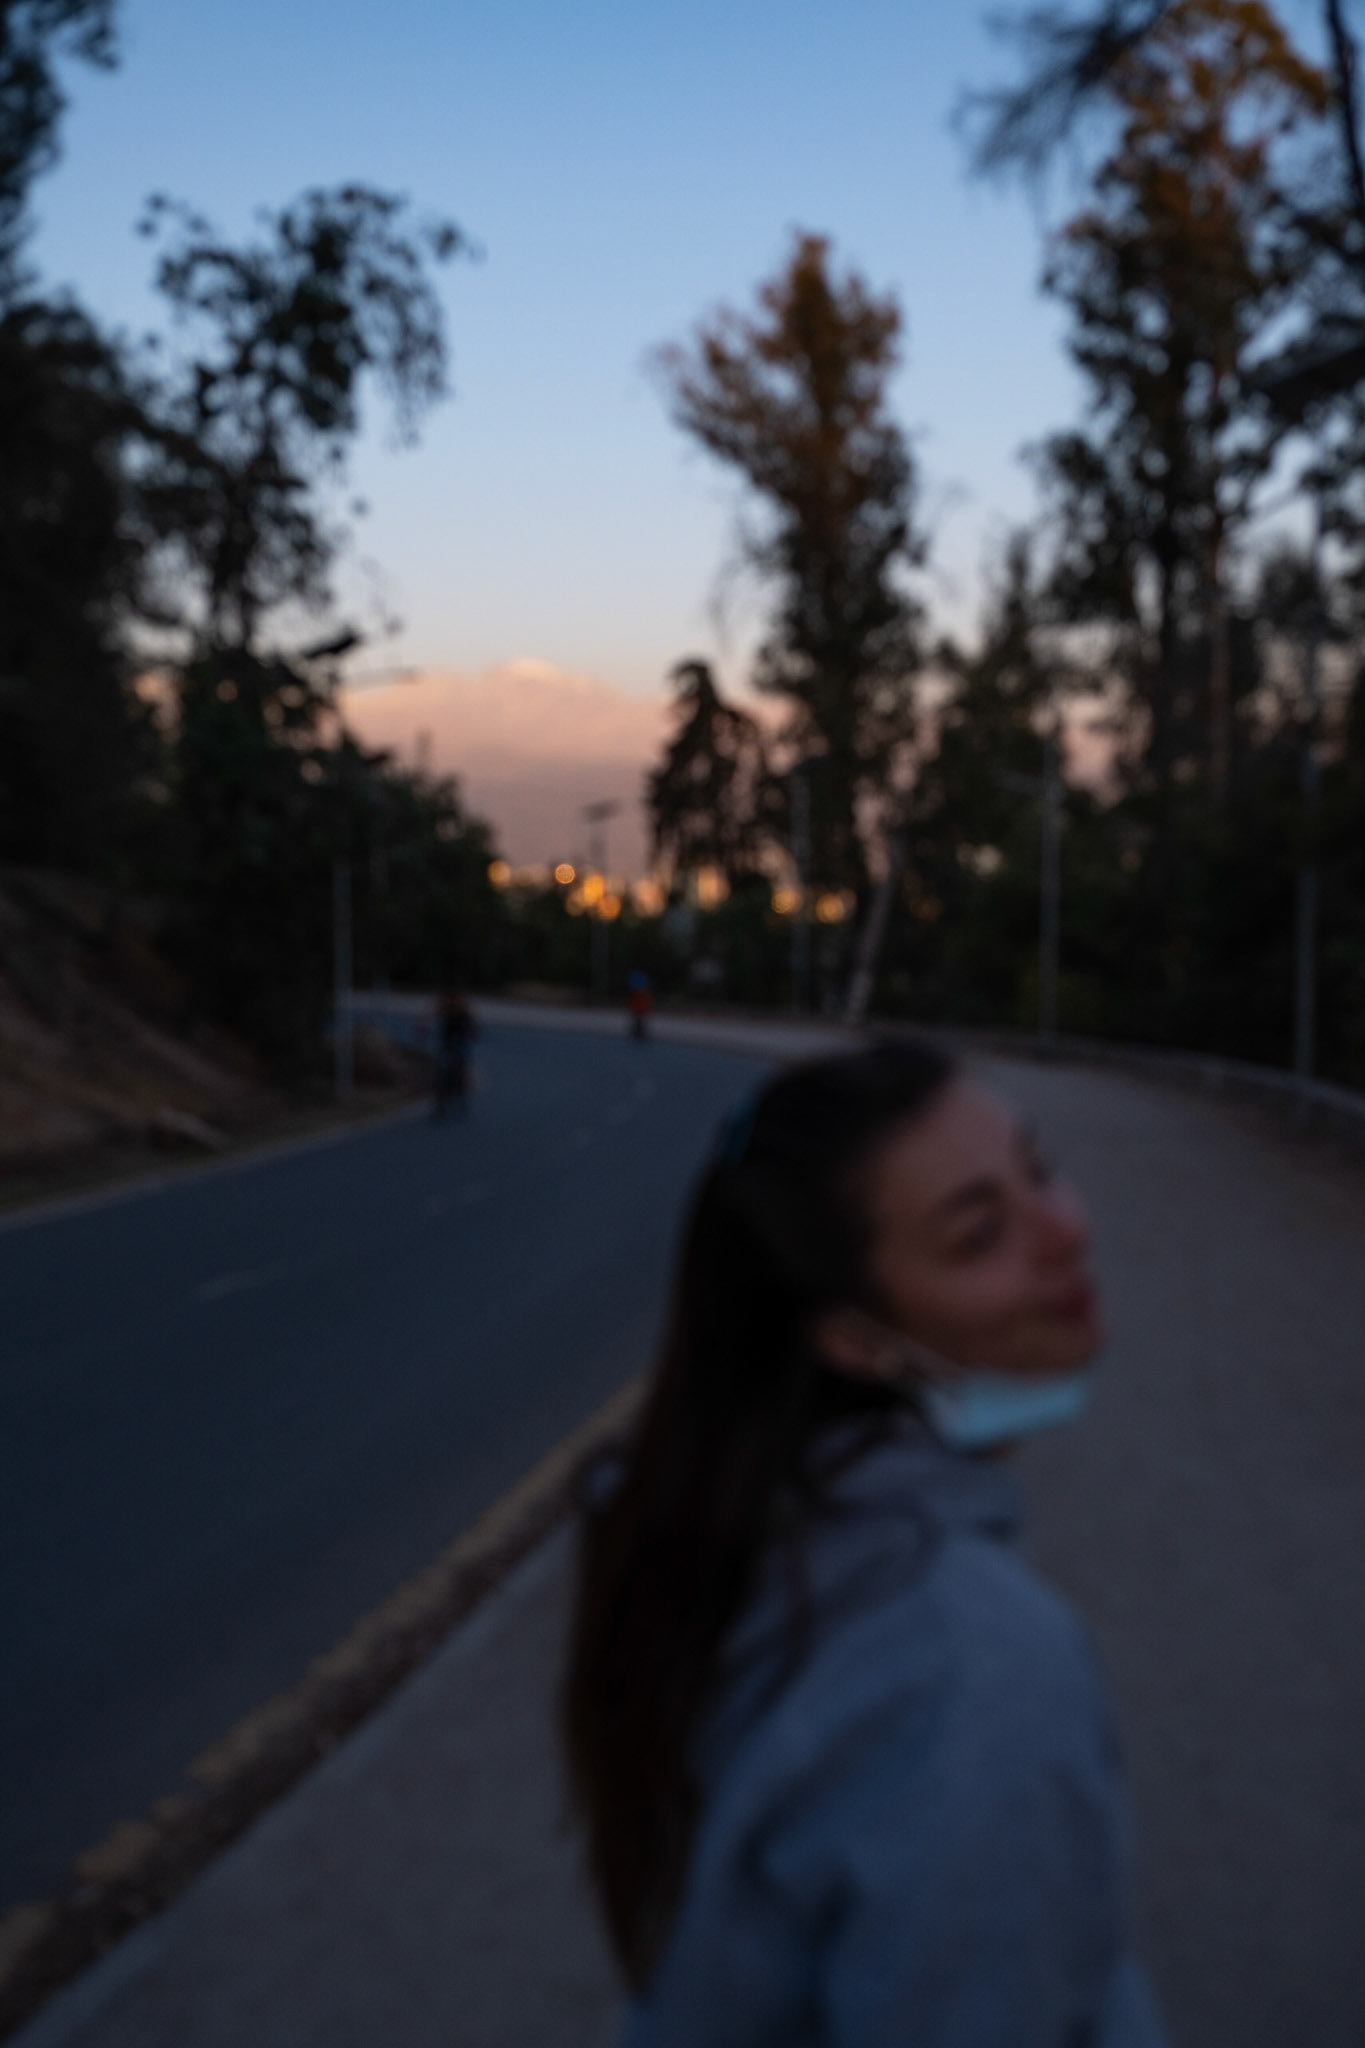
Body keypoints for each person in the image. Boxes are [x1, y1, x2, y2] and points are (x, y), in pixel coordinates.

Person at [562, 1041, 1169, 2047]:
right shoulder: (977, 1675)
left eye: (1039, 1168)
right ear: (853, 1337)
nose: (1069, 1228)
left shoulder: (728, 1531)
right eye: (979, 1234)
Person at [431, 987, 475, 1119]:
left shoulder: (464, 1012)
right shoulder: (444, 1009)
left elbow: (472, 1028)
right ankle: (440, 1101)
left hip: (459, 1044)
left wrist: (471, 1031)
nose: (452, 1002)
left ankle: (461, 1090)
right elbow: (429, 1017)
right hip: (446, 1044)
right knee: (440, 1069)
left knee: (461, 1066)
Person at [626, 969, 654, 1042]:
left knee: (640, 1023)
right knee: (638, 1023)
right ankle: (637, 1034)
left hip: (640, 1010)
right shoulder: (638, 994)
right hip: (638, 1010)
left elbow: (647, 1003)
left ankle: (639, 1034)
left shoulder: (643, 994)